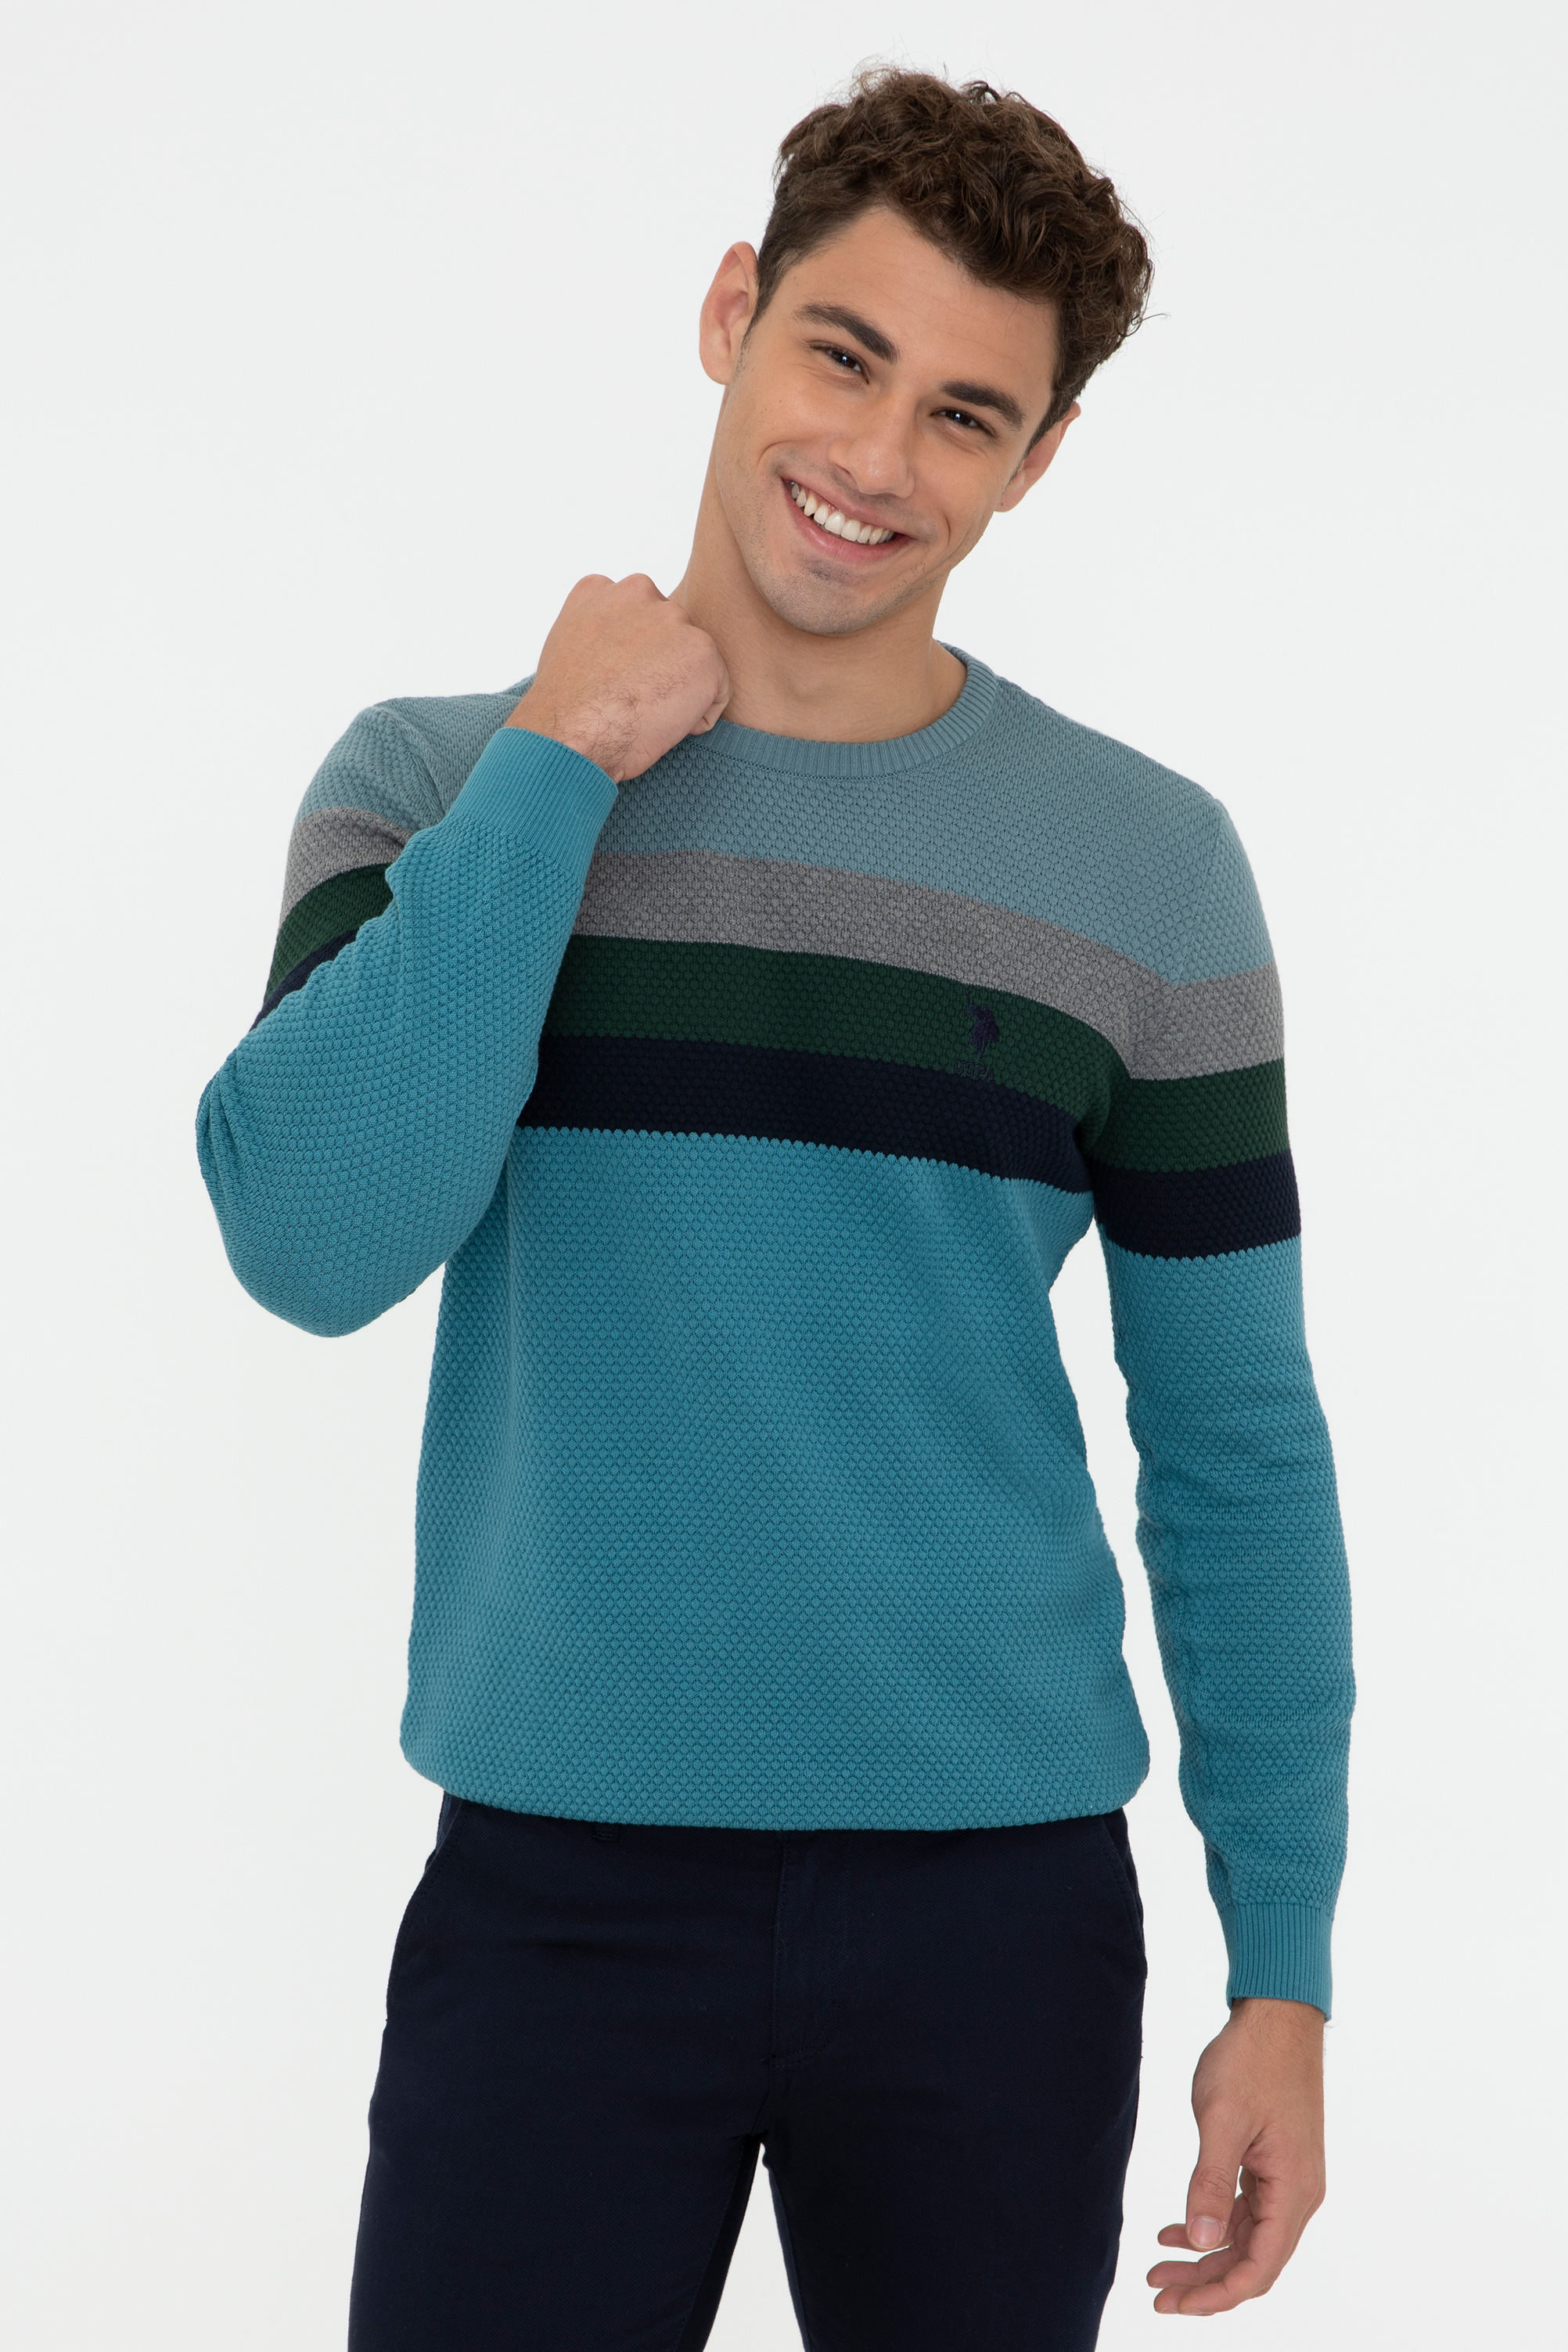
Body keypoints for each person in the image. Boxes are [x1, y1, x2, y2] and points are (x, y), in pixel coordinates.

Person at [197, 67, 1353, 2350]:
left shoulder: (1146, 869)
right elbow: (312, 1240)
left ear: (1034, 459)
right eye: (842, 353)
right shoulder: (437, 783)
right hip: (553, 1894)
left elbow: (1237, 1446)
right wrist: (557, 766)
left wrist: (1285, 1971)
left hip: (996, 1917)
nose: (878, 456)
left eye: (964, 413)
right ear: (732, 312)